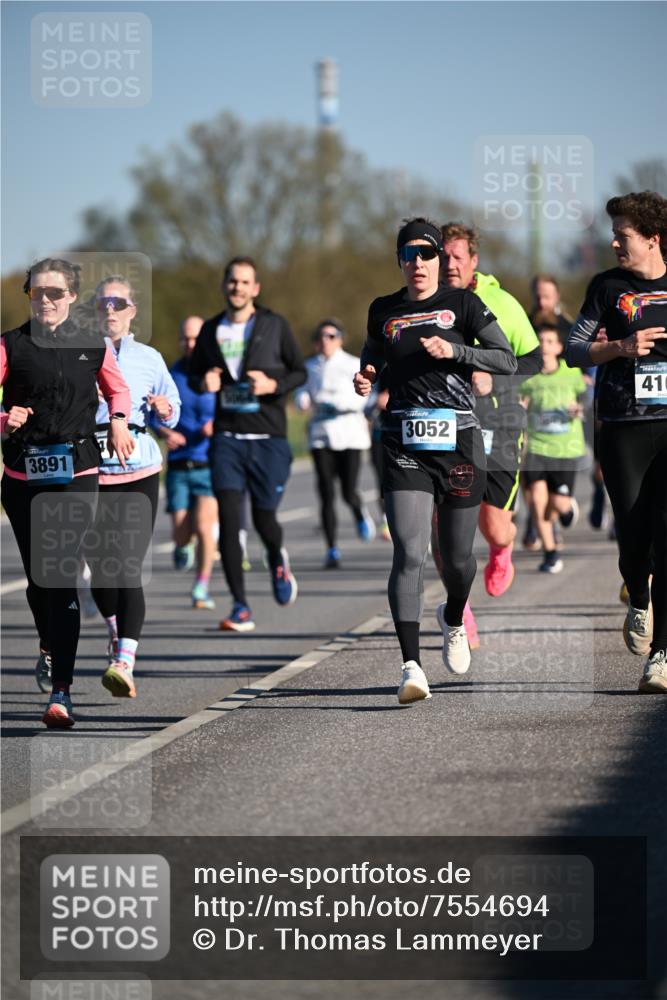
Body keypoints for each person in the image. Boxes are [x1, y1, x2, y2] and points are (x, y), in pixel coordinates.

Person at [353, 218, 517, 704]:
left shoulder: (462, 303)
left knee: (459, 559)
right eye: (410, 255)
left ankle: (453, 615)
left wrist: (457, 351)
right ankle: (411, 666)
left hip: (459, 442)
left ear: (439, 259)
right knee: (409, 552)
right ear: (399, 261)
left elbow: (505, 358)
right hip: (403, 444)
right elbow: (372, 353)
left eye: (427, 254)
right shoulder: (384, 309)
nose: (419, 263)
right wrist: (366, 376)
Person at [1, 258, 133, 728]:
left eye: (55, 292)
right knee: (40, 582)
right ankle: (47, 643)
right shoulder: (9, 345)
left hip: (77, 470)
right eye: (37, 292)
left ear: (72, 297)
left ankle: (62, 691)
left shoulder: (92, 343)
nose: (46, 300)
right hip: (23, 476)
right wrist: (4, 419)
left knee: (59, 575)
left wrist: (119, 422)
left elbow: (118, 392)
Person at [565, 190, 667, 694]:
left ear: (652, 239)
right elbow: (573, 349)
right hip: (623, 426)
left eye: (622, 235)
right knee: (632, 536)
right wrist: (621, 347)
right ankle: (638, 595)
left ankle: (661, 656)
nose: (614, 243)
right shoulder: (608, 288)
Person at [188, 256, 306, 632]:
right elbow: (194, 375)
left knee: (264, 518)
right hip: (227, 438)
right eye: (232, 281)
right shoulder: (210, 330)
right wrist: (203, 382)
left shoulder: (274, 325)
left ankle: (277, 558)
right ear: (224, 286)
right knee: (229, 520)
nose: (237, 287)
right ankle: (240, 605)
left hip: (268, 437)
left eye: (244, 282)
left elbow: (299, 372)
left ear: (255, 288)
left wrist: (274, 385)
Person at [437, 222, 542, 610]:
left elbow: (535, 359)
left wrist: (493, 379)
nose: (449, 264)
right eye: (442, 256)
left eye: (457, 257)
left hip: (498, 423)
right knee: (441, 524)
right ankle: (459, 611)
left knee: (494, 526)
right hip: (445, 424)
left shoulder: (502, 303)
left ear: (474, 260)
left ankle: (502, 548)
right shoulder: (425, 302)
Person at [88, 276, 181, 699]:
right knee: (100, 569)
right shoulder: (77, 355)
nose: (110, 309)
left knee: (127, 564)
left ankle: (124, 660)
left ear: (132, 310)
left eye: (118, 302)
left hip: (140, 469)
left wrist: (165, 407)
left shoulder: (149, 357)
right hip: (91, 470)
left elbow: (173, 408)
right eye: (103, 302)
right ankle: (115, 630)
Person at [295, 319, 374, 568]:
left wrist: (341, 404)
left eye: (330, 336)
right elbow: (301, 391)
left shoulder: (353, 363)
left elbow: (366, 395)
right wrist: (302, 400)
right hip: (321, 434)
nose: (325, 341)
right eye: (320, 337)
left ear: (340, 339)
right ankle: (331, 548)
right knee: (326, 493)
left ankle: (359, 511)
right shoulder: (309, 366)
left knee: (348, 491)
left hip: (349, 433)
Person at [153, 316, 218, 609]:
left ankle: (201, 585)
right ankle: (182, 545)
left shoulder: (217, 374)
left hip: (208, 462)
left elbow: (233, 408)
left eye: (196, 338)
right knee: (181, 532)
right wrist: (165, 432)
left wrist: (216, 425)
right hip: (179, 464)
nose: (191, 344)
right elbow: (152, 413)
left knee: (204, 526)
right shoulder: (170, 374)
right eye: (186, 338)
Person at [521, 324, 587, 573]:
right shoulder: (529, 376)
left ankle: (566, 508)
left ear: (559, 347)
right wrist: (519, 406)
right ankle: (551, 553)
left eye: (550, 341)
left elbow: (584, 396)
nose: (544, 346)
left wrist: (579, 407)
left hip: (565, 449)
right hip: (537, 447)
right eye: (540, 341)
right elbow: (519, 399)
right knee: (537, 502)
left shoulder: (571, 372)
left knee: (557, 505)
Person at [529, 274, 574, 344]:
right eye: (538, 297)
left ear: (557, 297)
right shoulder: (524, 325)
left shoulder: (569, 331)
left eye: (546, 297)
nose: (542, 303)